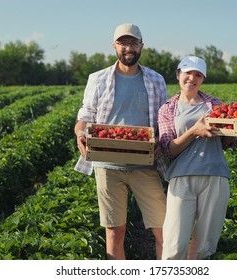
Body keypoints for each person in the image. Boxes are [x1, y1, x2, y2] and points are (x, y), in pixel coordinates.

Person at [74, 23, 168, 260]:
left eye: (134, 43)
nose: (129, 48)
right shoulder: (98, 79)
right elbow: (85, 116)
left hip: (145, 165)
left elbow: (164, 121)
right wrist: (80, 135)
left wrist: (161, 142)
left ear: (142, 46)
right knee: (115, 232)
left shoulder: (156, 80)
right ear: (114, 46)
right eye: (123, 43)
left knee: (165, 231)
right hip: (107, 166)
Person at [157, 56, 237, 260]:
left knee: (204, 247)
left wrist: (233, 131)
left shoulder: (215, 104)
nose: (192, 78)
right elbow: (168, 150)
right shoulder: (167, 108)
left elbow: (228, 144)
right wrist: (194, 130)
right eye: (188, 73)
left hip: (215, 175)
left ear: (203, 79)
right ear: (178, 75)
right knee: (174, 245)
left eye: (198, 75)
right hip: (181, 177)